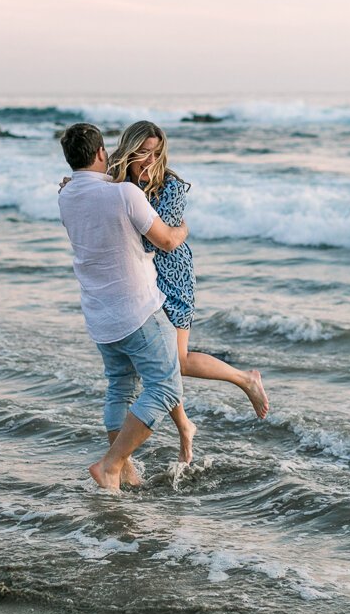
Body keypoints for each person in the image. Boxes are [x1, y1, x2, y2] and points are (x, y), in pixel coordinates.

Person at [103, 121, 270, 463]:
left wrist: (172, 231)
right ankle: (184, 428)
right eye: (142, 152)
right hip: (140, 278)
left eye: (155, 153)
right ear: (128, 150)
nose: (149, 160)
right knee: (161, 364)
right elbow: (94, 196)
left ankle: (245, 379)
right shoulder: (116, 179)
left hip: (173, 277)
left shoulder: (171, 186)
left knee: (176, 360)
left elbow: (159, 237)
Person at [57, 122, 189, 491]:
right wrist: (183, 231)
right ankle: (112, 464)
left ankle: (125, 474)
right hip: (138, 310)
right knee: (165, 388)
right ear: (102, 153)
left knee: (120, 387)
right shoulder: (125, 194)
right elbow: (165, 241)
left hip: (100, 316)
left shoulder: (66, 196)